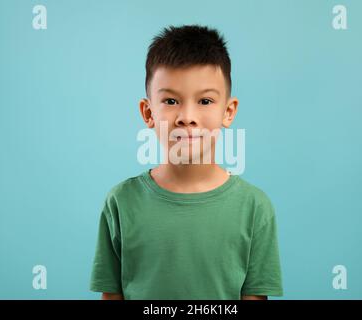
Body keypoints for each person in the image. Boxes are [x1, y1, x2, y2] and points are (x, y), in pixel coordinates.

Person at [89, 24, 283, 300]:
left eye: (204, 101)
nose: (187, 116)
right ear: (148, 112)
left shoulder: (255, 208)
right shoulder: (121, 203)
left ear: (228, 112)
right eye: (170, 100)